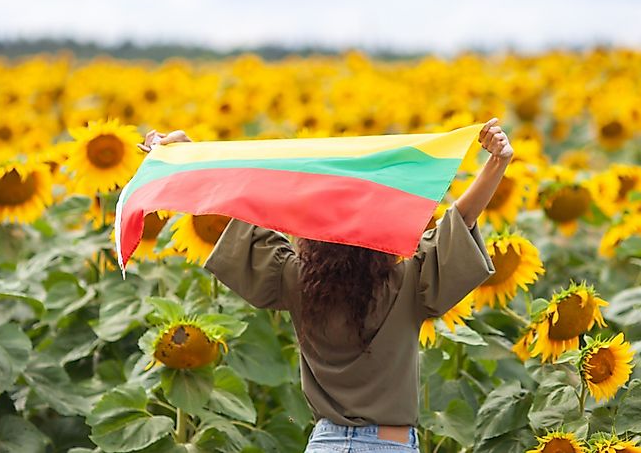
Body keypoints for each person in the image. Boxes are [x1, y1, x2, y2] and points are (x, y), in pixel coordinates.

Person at [138, 118, 513, 452]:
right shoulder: (407, 284)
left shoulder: (297, 281)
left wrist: (188, 156)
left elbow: (236, 215)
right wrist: (497, 163)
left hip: (325, 443)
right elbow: (458, 221)